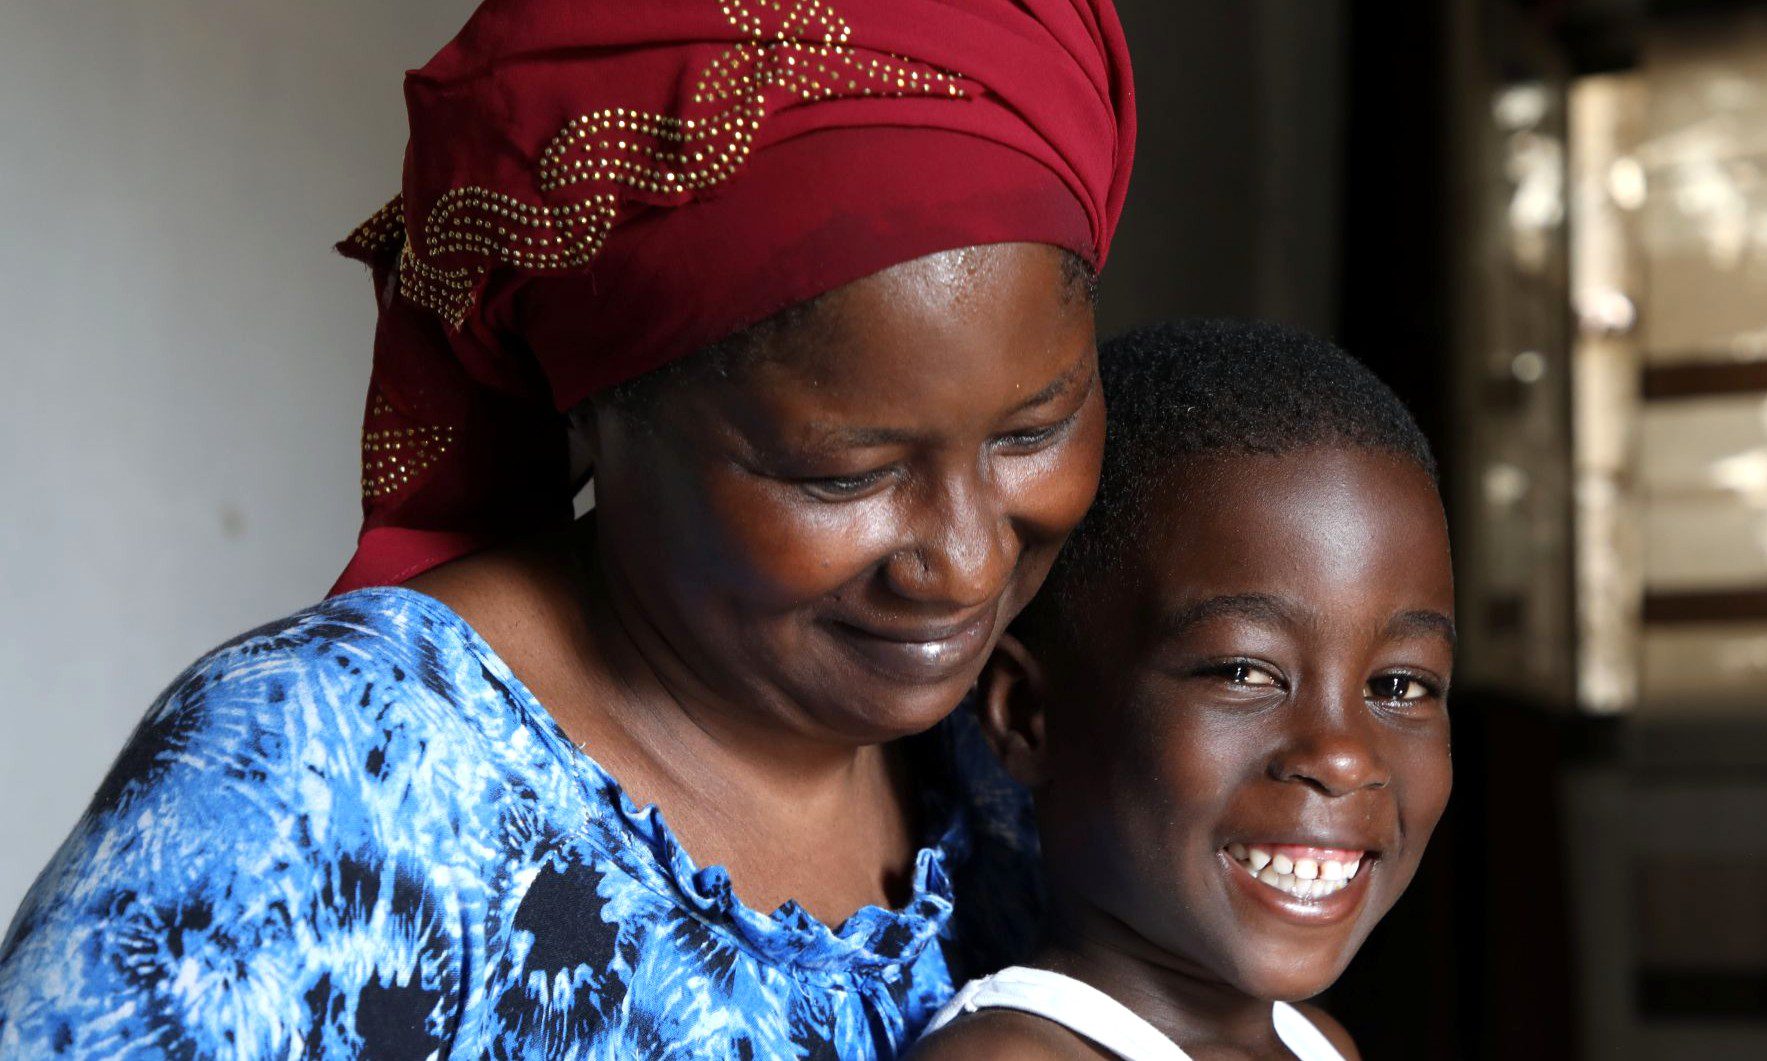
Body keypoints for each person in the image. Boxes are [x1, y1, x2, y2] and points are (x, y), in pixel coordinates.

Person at [0, 0, 1132, 1056]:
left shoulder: (1054, 739)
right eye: (846, 473)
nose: (968, 560)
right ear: (593, 408)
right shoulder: (324, 786)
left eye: (1035, 428)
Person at [907, 321, 1456, 1060]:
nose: (1343, 755)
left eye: (1399, 683)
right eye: (1243, 672)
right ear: (1030, 716)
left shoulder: (1321, 1045)